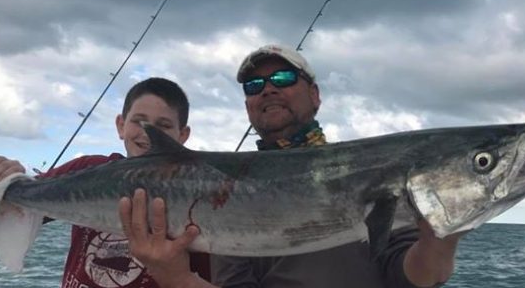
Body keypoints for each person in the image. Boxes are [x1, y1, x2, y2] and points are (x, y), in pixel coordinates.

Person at [119, 45, 461, 287]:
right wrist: (175, 277)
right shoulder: (226, 191)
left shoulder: (372, 169)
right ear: (248, 106)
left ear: (314, 94)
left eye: (282, 78)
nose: (267, 89)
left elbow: (414, 275)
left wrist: (441, 240)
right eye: (254, 85)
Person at [0, 77, 211, 288]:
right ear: (120, 125)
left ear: (183, 135)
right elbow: (2, 211)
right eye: (139, 121)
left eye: (162, 126)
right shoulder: (87, 169)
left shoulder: (207, 194)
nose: (148, 133)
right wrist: (5, 179)